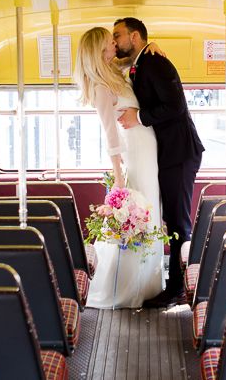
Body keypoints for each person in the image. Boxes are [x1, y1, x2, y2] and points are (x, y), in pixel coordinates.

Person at [114, 17, 204, 307]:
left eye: (119, 35)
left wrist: (137, 118)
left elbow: (175, 106)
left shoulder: (155, 62)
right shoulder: (141, 63)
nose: (115, 42)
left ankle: (178, 289)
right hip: (168, 153)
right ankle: (176, 284)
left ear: (136, 36)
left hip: (179, 152)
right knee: (172, 220)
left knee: (178, 222)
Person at [74, 27, 164, 308]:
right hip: (135, 152)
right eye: (109, 42)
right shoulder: (101, 86)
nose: (114, 44)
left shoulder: (114, 73)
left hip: (146, 148)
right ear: (99, 49)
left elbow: (133, 61)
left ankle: (149, 281)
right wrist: (118, 177)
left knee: (151, 209)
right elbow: (110, 135)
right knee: (140, 212)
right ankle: (129, 285)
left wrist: (153, 45)